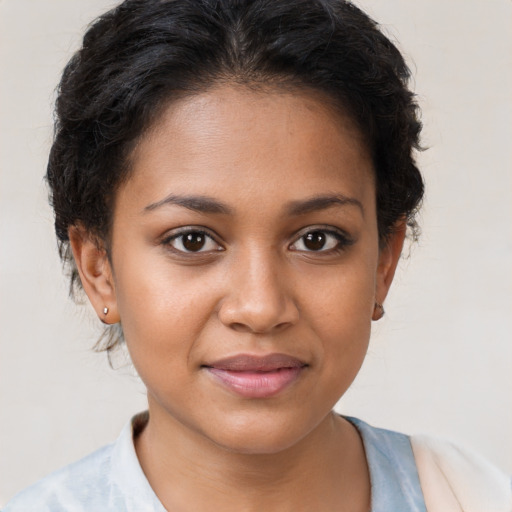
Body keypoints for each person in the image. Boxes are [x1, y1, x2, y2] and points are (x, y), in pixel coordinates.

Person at [4, 0, 511, 510]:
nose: (260, 308)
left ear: (384, 262)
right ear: (100, 271)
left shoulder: (474, 497)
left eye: (317, 239)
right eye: (192, 240)